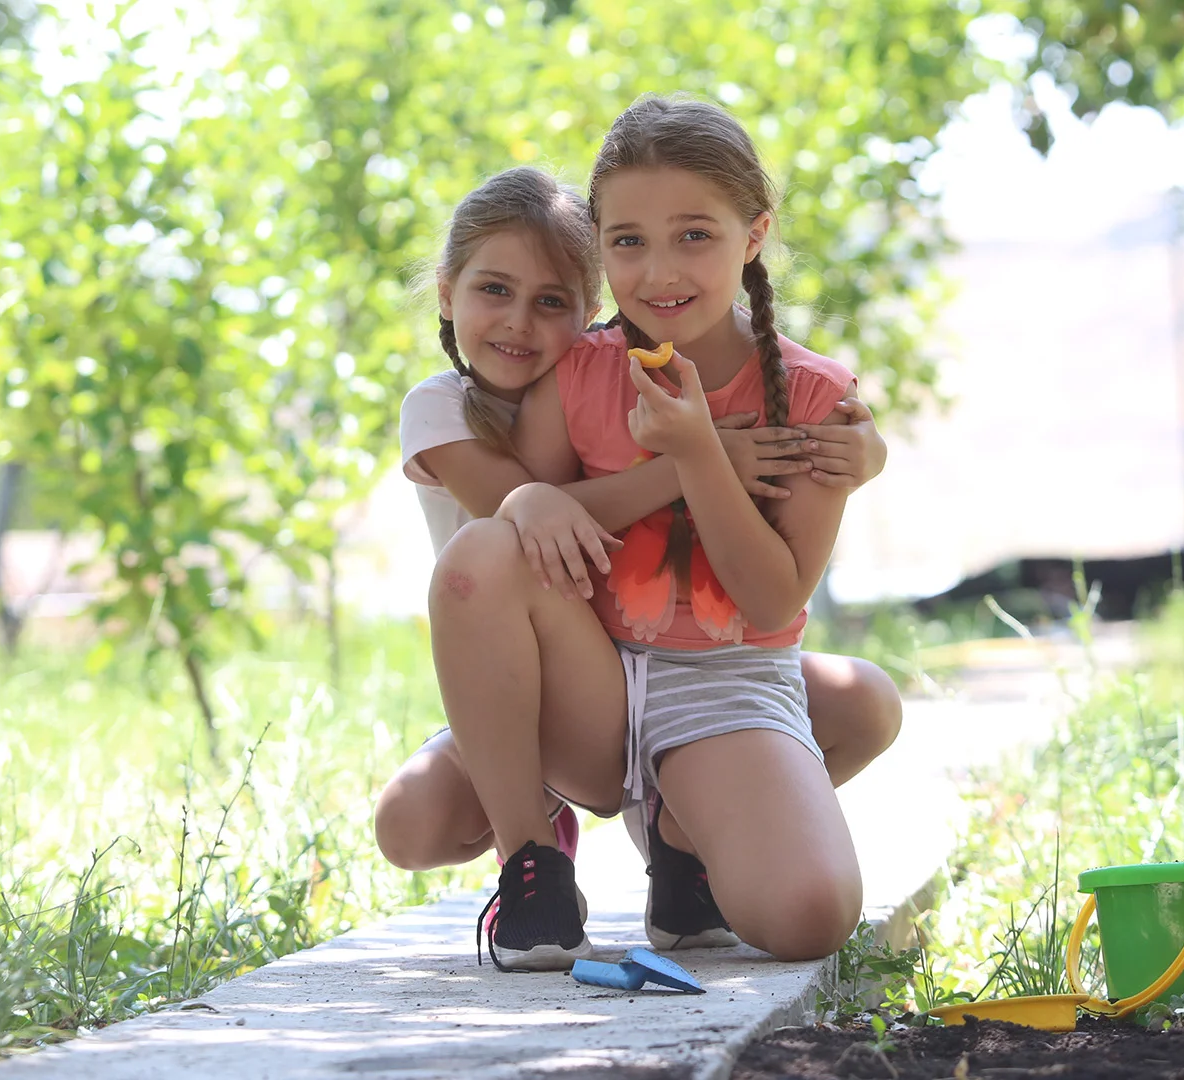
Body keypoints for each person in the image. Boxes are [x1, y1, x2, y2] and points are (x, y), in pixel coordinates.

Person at [373, 165, 900, 967]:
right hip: (531, 685)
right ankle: (533, 858)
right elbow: (521, 509)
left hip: (675, 671)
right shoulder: (444, 406)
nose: (519, 323)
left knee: (866, 706)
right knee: (410, 821)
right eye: (493, 291)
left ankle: (684, 836)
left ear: (586, 309)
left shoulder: (587, 368)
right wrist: (699, 458)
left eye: (551, 301)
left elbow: (769, 585)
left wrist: (865, 450)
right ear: (447, 292)